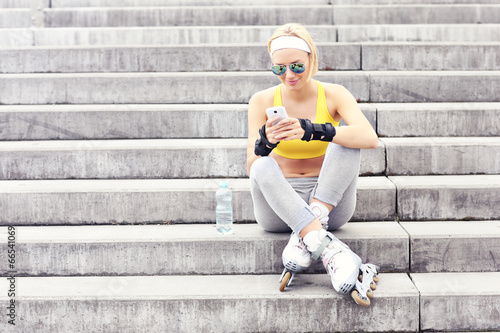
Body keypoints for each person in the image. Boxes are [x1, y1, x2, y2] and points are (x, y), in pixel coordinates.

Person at [246, 23, 379, 306]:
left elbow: (369, 138)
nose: (289, 75)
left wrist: (313, 130)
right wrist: (266, 143)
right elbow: (251, 164)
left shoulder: (333, 93)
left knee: (347, 139)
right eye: (279, 68)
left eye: (296, 66)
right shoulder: (261, 101)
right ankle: (328, 248)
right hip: (279, 209)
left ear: (312, 60)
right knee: (261, 165)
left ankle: (308, 231)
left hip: (331, 204)